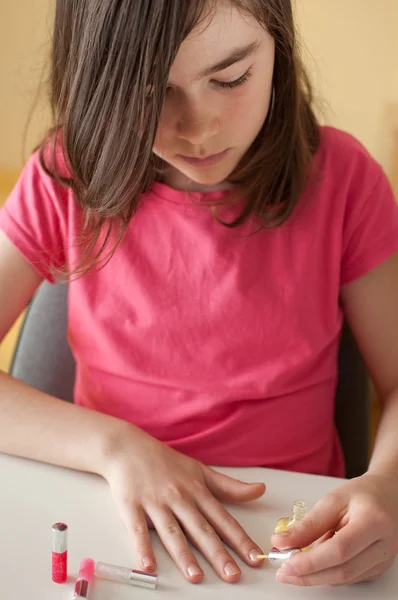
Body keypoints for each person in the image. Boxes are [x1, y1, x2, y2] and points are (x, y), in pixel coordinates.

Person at [0, 0, 397, 588]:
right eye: (152, 92)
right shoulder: (63, 178)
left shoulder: (344, 181)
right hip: (108, 523)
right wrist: (114, 447)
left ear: (278, 48)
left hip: (284, 540)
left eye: (232, 78)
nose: (200, 127)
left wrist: (387, 484)